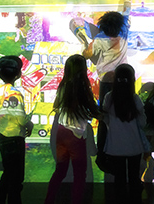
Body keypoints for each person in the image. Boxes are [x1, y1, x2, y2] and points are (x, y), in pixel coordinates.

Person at [79, 0, 131, 169]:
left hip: (106, 83)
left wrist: (85, 43)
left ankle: (103, 153)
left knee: (105, 116)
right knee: (124, 113)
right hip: (124, 80)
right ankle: (124, 147)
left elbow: (86, 55)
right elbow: (127, 8)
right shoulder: (124, 32)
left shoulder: (99, 39)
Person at [44, 54, 100, 204]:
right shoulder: (83, 87)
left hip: (61, 131)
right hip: (76, 134)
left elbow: (57, 106)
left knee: (60, 171)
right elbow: (93, 110)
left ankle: (48, 200)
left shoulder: (63, 85)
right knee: (80, 174)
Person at [102, 63, 147, 204]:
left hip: (115, 146)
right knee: (134, 178)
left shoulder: (109, 98)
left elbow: (105, 119)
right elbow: (142, 123)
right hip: (134, 146)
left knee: (119, 179)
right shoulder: (135, 99)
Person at [0, 55, 33, 204]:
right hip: (15, 138)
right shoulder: (15, 93)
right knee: (16, 177)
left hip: (3, 135)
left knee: (8, 172)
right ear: (18, 74)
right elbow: (21, 118)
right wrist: (30, 124)